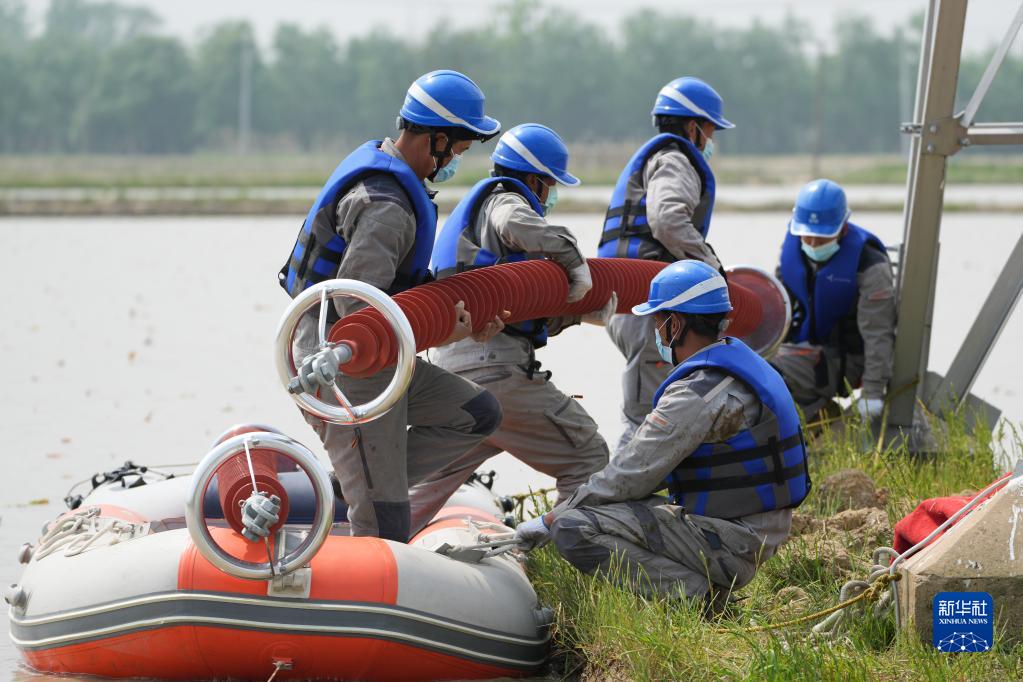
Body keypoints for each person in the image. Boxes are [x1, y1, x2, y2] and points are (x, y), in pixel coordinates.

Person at [277, 70, 508, 542]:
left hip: (379, 358)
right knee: (387, 525)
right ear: (438, 140)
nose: (457, 161)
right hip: (339, 362)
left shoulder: (392, 181)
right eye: (460, 151)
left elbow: (399, 289)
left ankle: (352, 484)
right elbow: (357, 309)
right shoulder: (387, 207)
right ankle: (365, 504)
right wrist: (446, 330)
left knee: (478, 415)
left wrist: (465, 312)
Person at [514, 261, 810, 605]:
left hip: (733, 543)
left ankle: (697, 599)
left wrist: (550, 518)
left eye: (658, 321)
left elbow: (630, 473)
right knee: (611, 504)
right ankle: (700, 588)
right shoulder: (740, 364)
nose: (656, 331)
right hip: (754, 533)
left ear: (676, 324)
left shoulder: (698, 392)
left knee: (574, 528)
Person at [412, 124, 611, 522]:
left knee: (429, 483)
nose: (551, 194)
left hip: (456, 372)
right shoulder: (505, 202)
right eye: (551, 185)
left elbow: (515, 311)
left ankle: (378, 547)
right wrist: (572, 259)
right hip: (497, 372)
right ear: (535, 180)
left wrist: (580, 313)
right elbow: (515, 222)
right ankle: (569, 547)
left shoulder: (477, 217)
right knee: (588, 456)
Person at [597, 76, 734, 454]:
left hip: (629, 301)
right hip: (647, 304)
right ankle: (605, 505)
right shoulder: (676, 160)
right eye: (710, 129)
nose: (711, 139)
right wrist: (710, 267)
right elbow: (668, 219)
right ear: (693, 127)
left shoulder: (660, 158)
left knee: (655, 410)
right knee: (646, 418)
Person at [771, 179, 896, 422]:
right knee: (747, 361)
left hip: (846, 360)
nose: (813, 244)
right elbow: (778, 304)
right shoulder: (794, 249)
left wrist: (872, 393)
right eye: (807, 237)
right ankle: (814, 415)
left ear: (843, 228)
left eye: (822, 237)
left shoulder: (870, 267)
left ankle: (813, 420)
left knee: (768, 373)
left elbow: (878, 334)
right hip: (804, 348)